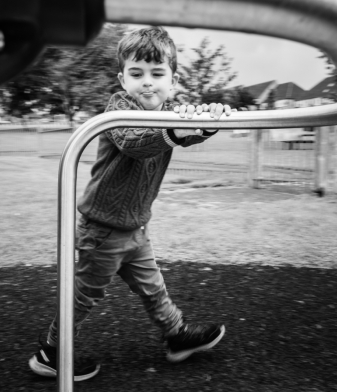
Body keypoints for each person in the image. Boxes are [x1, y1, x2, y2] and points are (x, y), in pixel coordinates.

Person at [28, 26, 233, 381]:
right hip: (103, 229)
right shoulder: (119, 109)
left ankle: (176, 335)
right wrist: (178, 131)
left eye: (157, 74)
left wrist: (206, 122)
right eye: (136, 74)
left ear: (173, 79)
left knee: (154, 288)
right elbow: (134, 143)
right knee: (84, 296)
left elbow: (186, 133)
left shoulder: (171, 111)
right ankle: (51, 352)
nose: (147, 83)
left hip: (136, 226)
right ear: (123, 79)